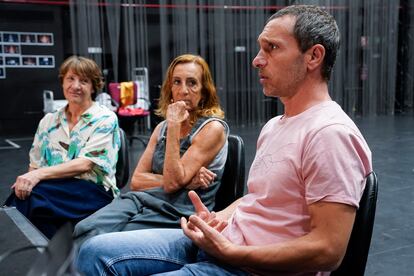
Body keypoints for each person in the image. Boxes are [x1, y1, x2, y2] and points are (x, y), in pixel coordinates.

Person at [77, 5, 372, 276]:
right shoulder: (274, 126)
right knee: (94, 252)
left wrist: (235, 252)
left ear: (313, 56)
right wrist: (217, 217)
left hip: (248, 266)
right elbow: (261, 198)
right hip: (224, 245)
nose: (257, 60)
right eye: (260, 49)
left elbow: (328, 250)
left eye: (271, 48)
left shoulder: (330, 134)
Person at [73, 54, 229, 246]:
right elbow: (137, 181)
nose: (184, 90)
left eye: (192, 83)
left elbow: (172, 185)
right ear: (170, 89)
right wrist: (185, 181)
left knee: (105, 244)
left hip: (177, 212)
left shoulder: (212, 129)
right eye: (177, 83)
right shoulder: (161, 128)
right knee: (85, 229)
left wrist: (173, 126)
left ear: (204, 92)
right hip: (142, 201)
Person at [4, 56, 120, 239]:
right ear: (62, 82)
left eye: (84, 81)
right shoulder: (48, 122)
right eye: (70, 79)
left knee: (27, 202)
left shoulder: (104, 118)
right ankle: (61, 254)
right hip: (55, 192)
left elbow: (85, 164)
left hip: (93, 192)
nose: (76, 86)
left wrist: (35, 176)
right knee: (24, 196)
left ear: (93, 86)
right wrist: (28, 180)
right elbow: (34, 165)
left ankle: (55, 256)